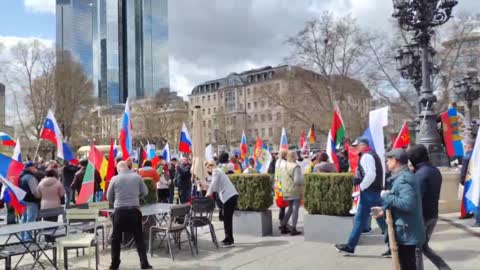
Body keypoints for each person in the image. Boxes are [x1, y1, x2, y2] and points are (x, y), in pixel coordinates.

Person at [371, 148, 425, 270]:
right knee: (407, 264)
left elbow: (407, 204)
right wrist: (383, 210)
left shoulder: (403, 179)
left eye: (388, 160)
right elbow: (401, 202)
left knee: (407, 265)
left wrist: (386, 195)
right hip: (406, 229)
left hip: (406, 231)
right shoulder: (403, 177)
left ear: (396, 161)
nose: (387, 163)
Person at [335, 137, 386, 256]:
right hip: (373, 191)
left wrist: (361, 187)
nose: (356, 148)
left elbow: (370, 175)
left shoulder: (366, 156)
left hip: (368, 192)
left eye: (357, 145)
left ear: (363, 145)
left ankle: (350, 246)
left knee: (361, 220)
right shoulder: (372, 155)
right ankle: (393, 246)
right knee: (380, 220)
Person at [408, 144, 451, 270]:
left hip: (422, 217)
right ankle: (444, 267)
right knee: (424, 246)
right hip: (433, 214)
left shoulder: (420, 175)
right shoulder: (434, 170)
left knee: (416, 248)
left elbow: (416, 198)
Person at [107, 161, 152, 270]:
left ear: (118, 169)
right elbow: (145, 192)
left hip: (119, 212)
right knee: (139, 238)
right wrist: (136, 196)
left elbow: (109, 197)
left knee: (115, 239)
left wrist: (116, 202)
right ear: (127, 168)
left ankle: (114, 264)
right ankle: (144, 264)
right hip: (134, 211)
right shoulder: (137, 177)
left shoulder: (114, 179)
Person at [205, 159, 239, 247]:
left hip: (229, 197)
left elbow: (213, 185)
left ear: (210, 167)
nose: (207, 170)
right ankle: (228, 238)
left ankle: (229, 240)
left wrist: (208, 193)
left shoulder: (216, 171)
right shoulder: (219, 171)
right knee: (226, 218)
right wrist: (207, 187)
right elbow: (215, 186)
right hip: (230, 196)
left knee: (227, 219)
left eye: (207, 167)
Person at [279, 151, 304, 235]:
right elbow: (298, 180)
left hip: (286, 190)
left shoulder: (282, 166)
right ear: (295, 156)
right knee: (295, 209)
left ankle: (283, 225)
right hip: (295, 190)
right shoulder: (295, 166)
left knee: (290, 208)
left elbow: (280, 179)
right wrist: (304, 180)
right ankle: (293, 228)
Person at [19, 162, 40, 240]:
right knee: (30, 219)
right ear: (31, 168)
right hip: (31, 201)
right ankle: (28, 238)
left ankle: (23, 237)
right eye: (34, 167)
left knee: (24, 219)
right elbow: (35, 191)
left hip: (23, 200)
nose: (36, 169)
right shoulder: (30, 178)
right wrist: (39, 197)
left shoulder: (22, 176)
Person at [275, 149, 289, 222]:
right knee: (283, 204)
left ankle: (282, 220)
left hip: (278, 185)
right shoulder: (284, 163)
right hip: (282, 185)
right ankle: (282, 222)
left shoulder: (278, 161)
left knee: (282, 205)